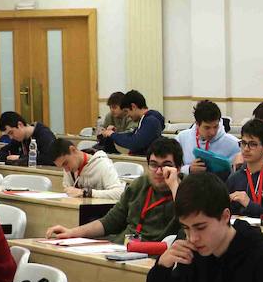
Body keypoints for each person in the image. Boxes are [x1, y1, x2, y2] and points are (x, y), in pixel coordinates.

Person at [44, 138, 183, 244]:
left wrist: (174, 186)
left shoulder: (186, 189)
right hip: (123, 247)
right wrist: (72, 232)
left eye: (166, 165)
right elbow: (109, 221)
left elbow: (186, 222)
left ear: (178, 167)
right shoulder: (140, 185)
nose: (158, 171)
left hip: (155, 252)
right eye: (153, 165)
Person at [176, 100, 240, 177]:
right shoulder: (182, 138)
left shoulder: (234, 143)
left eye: (215, 127)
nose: (212, 132)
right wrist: (188, 169)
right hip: (188, 185)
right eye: (207, 127)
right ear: (197, 124)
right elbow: (170, 167)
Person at [52, 137, 123, 200]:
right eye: (62, 166)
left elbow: (119, 193)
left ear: (73, 150)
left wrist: (86, 192)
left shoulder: (102, 164)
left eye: (65, 163)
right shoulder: (69, 169)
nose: (66, 170)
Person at [100, 90, 165, 156]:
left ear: (133, 106)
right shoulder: (146, 119)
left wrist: (113, 135)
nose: (127, 115)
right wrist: (114, 134)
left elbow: (134, 143)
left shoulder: (150, 121)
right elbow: (132, 134)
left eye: (126, 111)